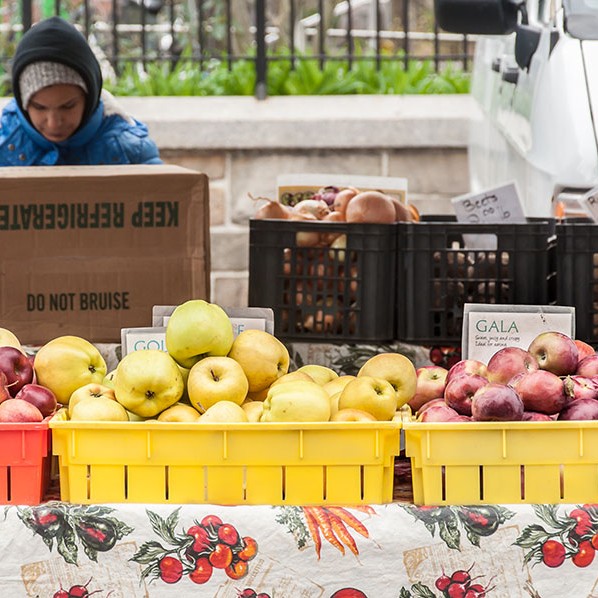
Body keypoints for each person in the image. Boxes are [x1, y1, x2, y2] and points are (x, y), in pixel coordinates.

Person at [0, 16, 162, 166]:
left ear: (89, 98)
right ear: (23, 103)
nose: (54, 123)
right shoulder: (4, 142)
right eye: (40, 107)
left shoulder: (131, 150)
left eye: (68, 106)